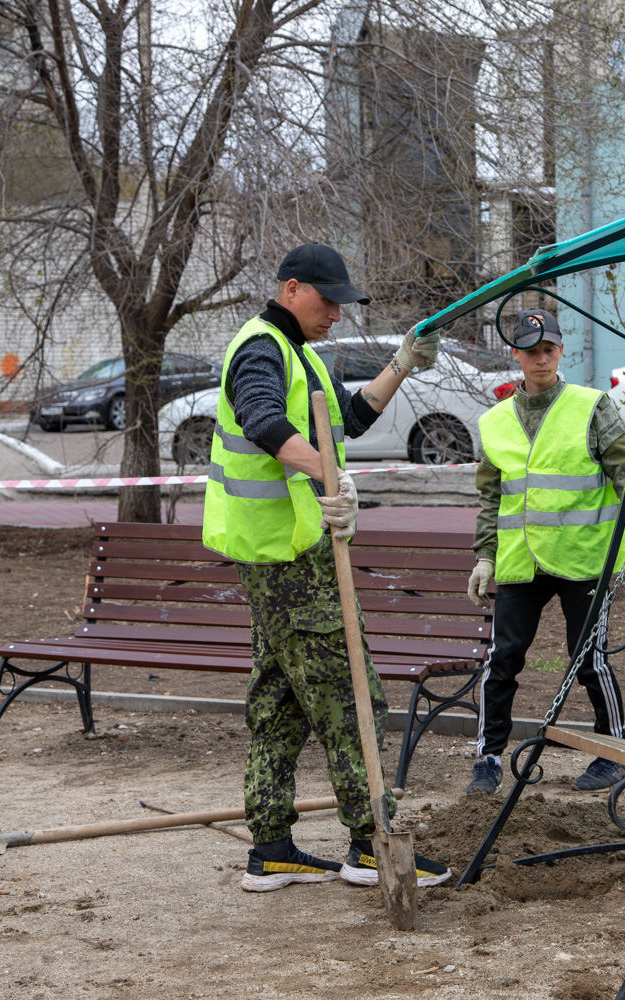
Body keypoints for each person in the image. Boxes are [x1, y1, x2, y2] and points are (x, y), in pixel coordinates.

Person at [203, 242, 451, 891]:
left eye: (343, 304)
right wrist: (329, 477)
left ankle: (274, 847)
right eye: (327, 300)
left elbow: (344, 420)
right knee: (349, 696)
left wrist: (400, 364)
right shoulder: (260, 348)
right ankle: (373, 844)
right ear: (290, 289)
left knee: (281, 700)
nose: (336, 314)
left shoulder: (298, 355)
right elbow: (263, 421)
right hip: (289, 560)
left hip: (286, 555)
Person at [464, 308, 625, 795]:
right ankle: (487, 758)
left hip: (582, 557)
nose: (541, 359)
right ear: (517, 356)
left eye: (549, 349)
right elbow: (491, 496)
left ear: (560, 351)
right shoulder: (494, 421)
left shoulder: (591, 406)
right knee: (502, 657)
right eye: (531, 352)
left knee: (588, 655)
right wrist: (485, 555)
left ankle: (612, 750)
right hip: (519, 562)